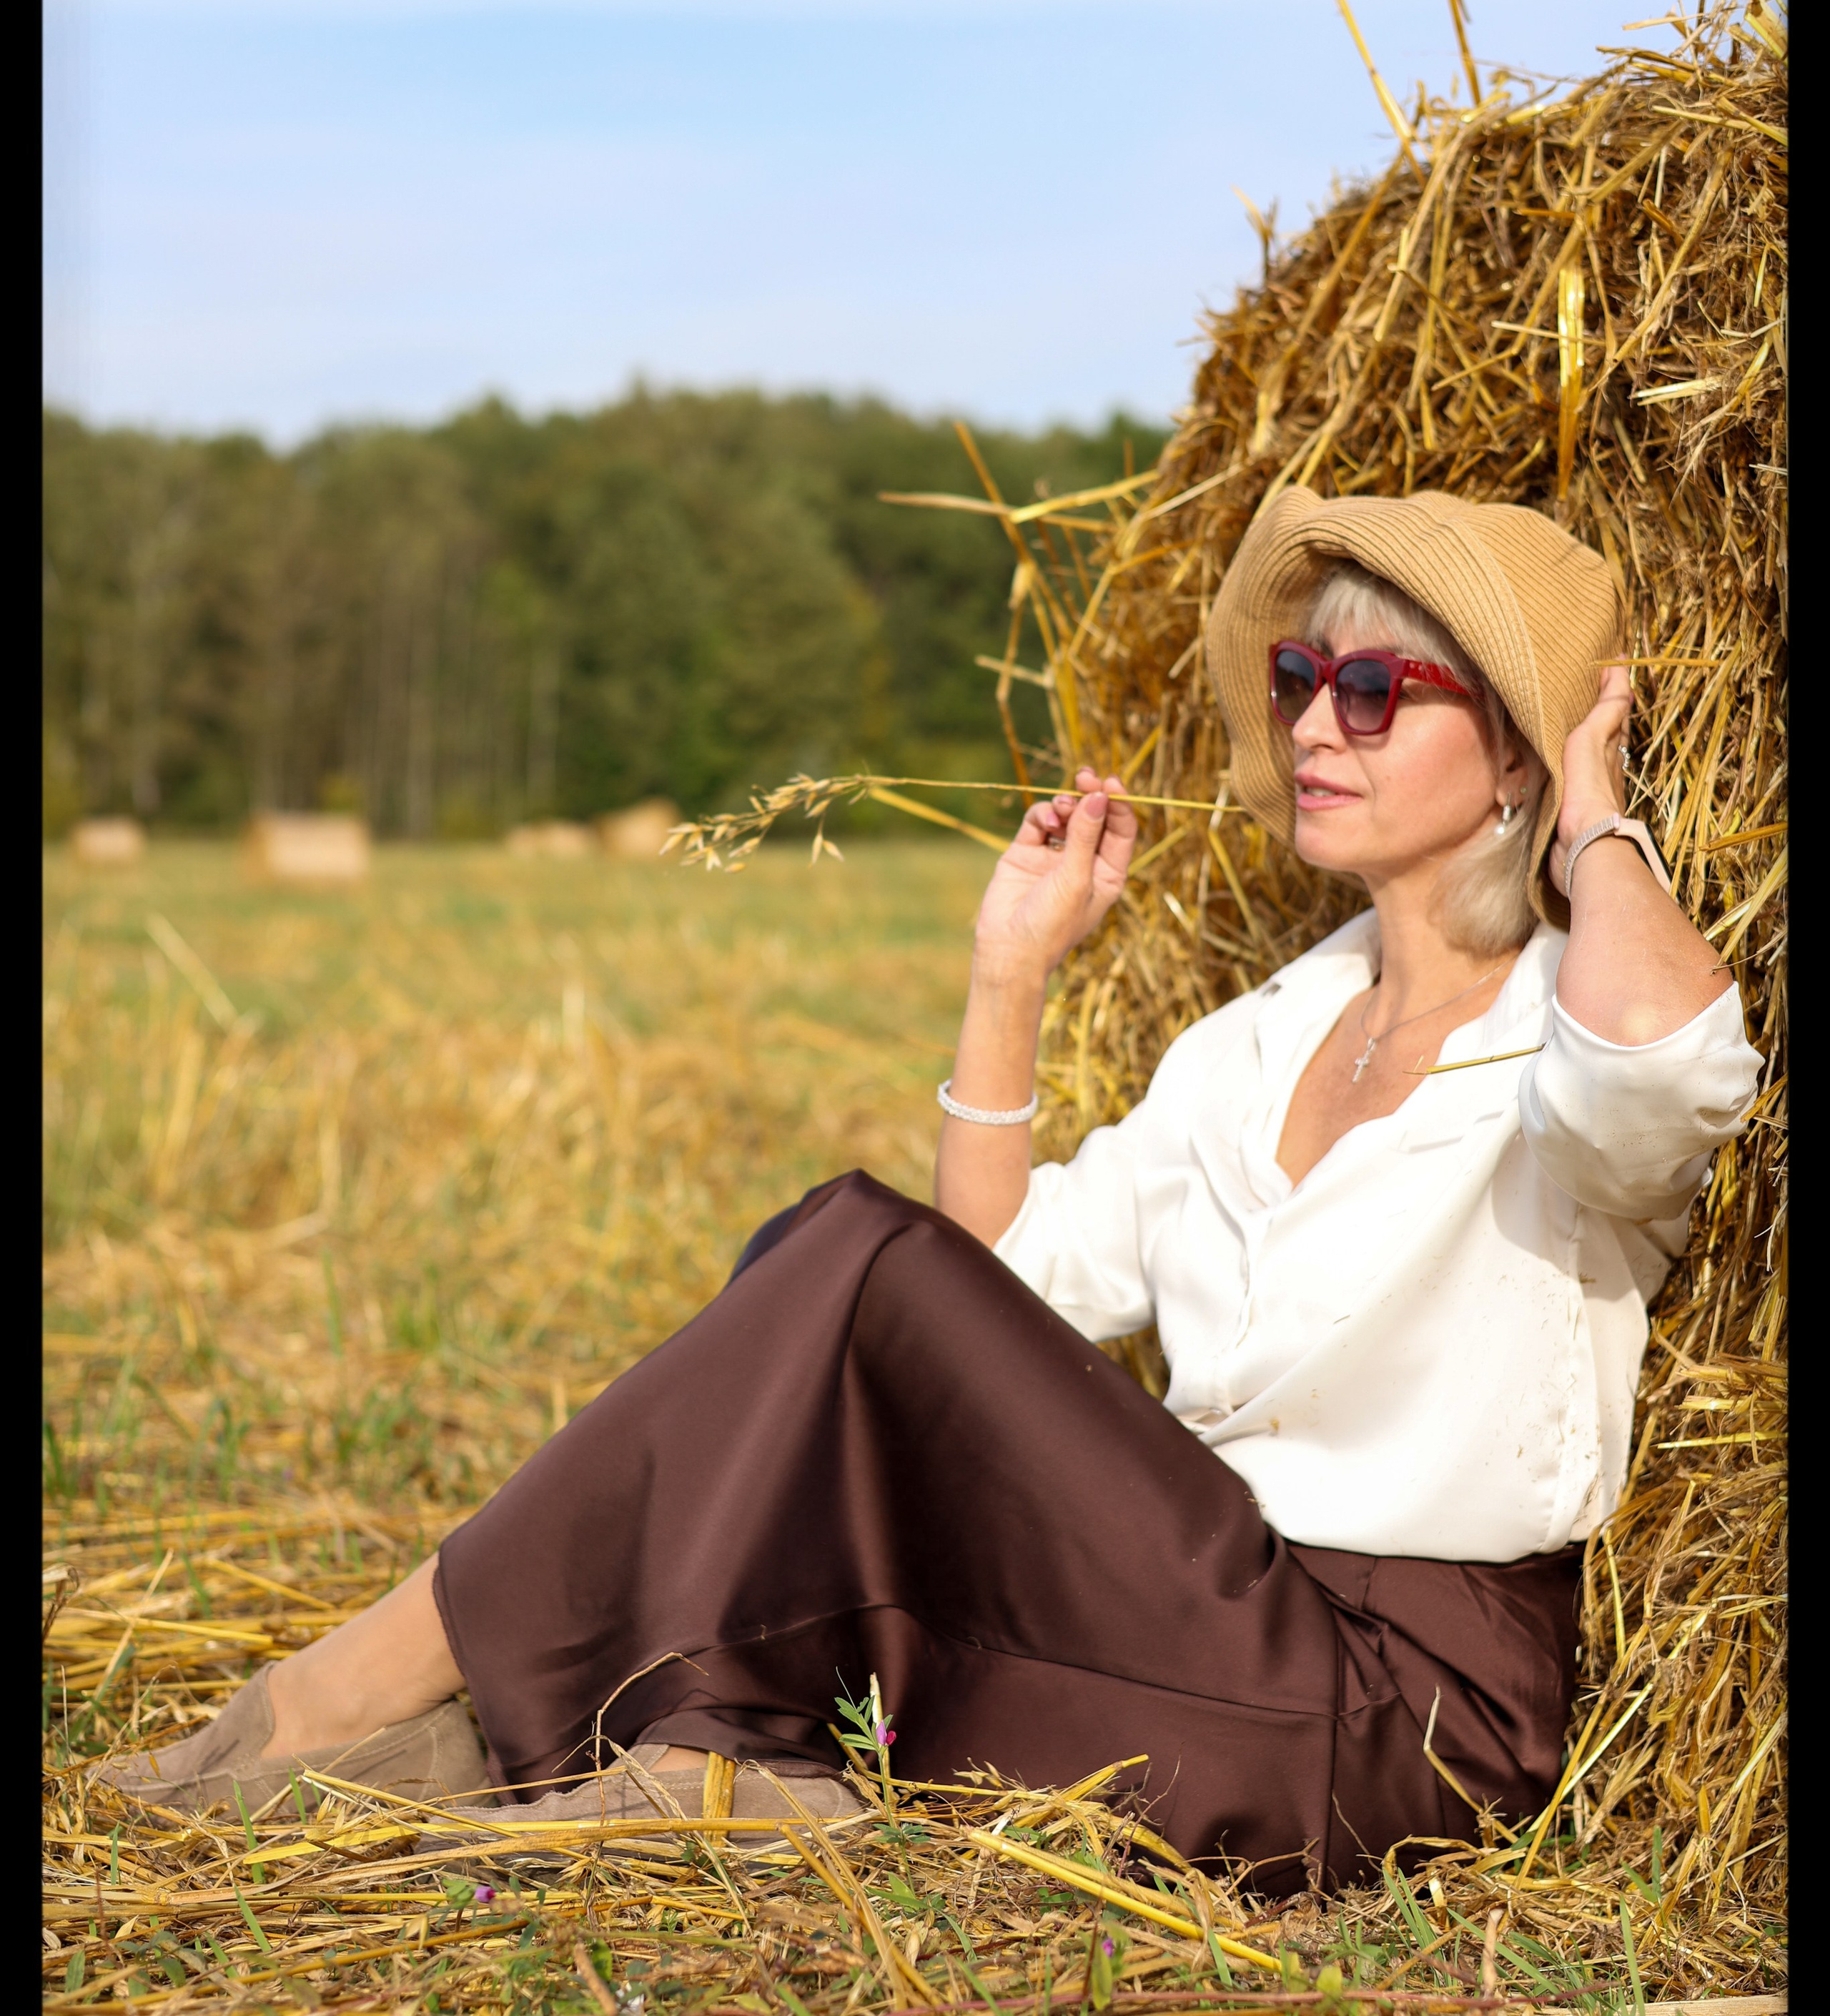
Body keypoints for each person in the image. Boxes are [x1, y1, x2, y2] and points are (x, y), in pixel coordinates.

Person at [101, 486, 1757, 1894]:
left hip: (1397, 1714)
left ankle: (339, 1705)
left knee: (848, 1258)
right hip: (1192, 1611)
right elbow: (998, 1310)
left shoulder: (1565, 1038)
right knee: (831, 1260)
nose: (1316, 720)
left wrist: (1596, 811)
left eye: (1380, 689)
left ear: (1515, 756)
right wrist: (1006, 976)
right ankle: (671, 1756)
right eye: (1301, 672)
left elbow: (1664, 1065)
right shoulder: (1255, 1042)